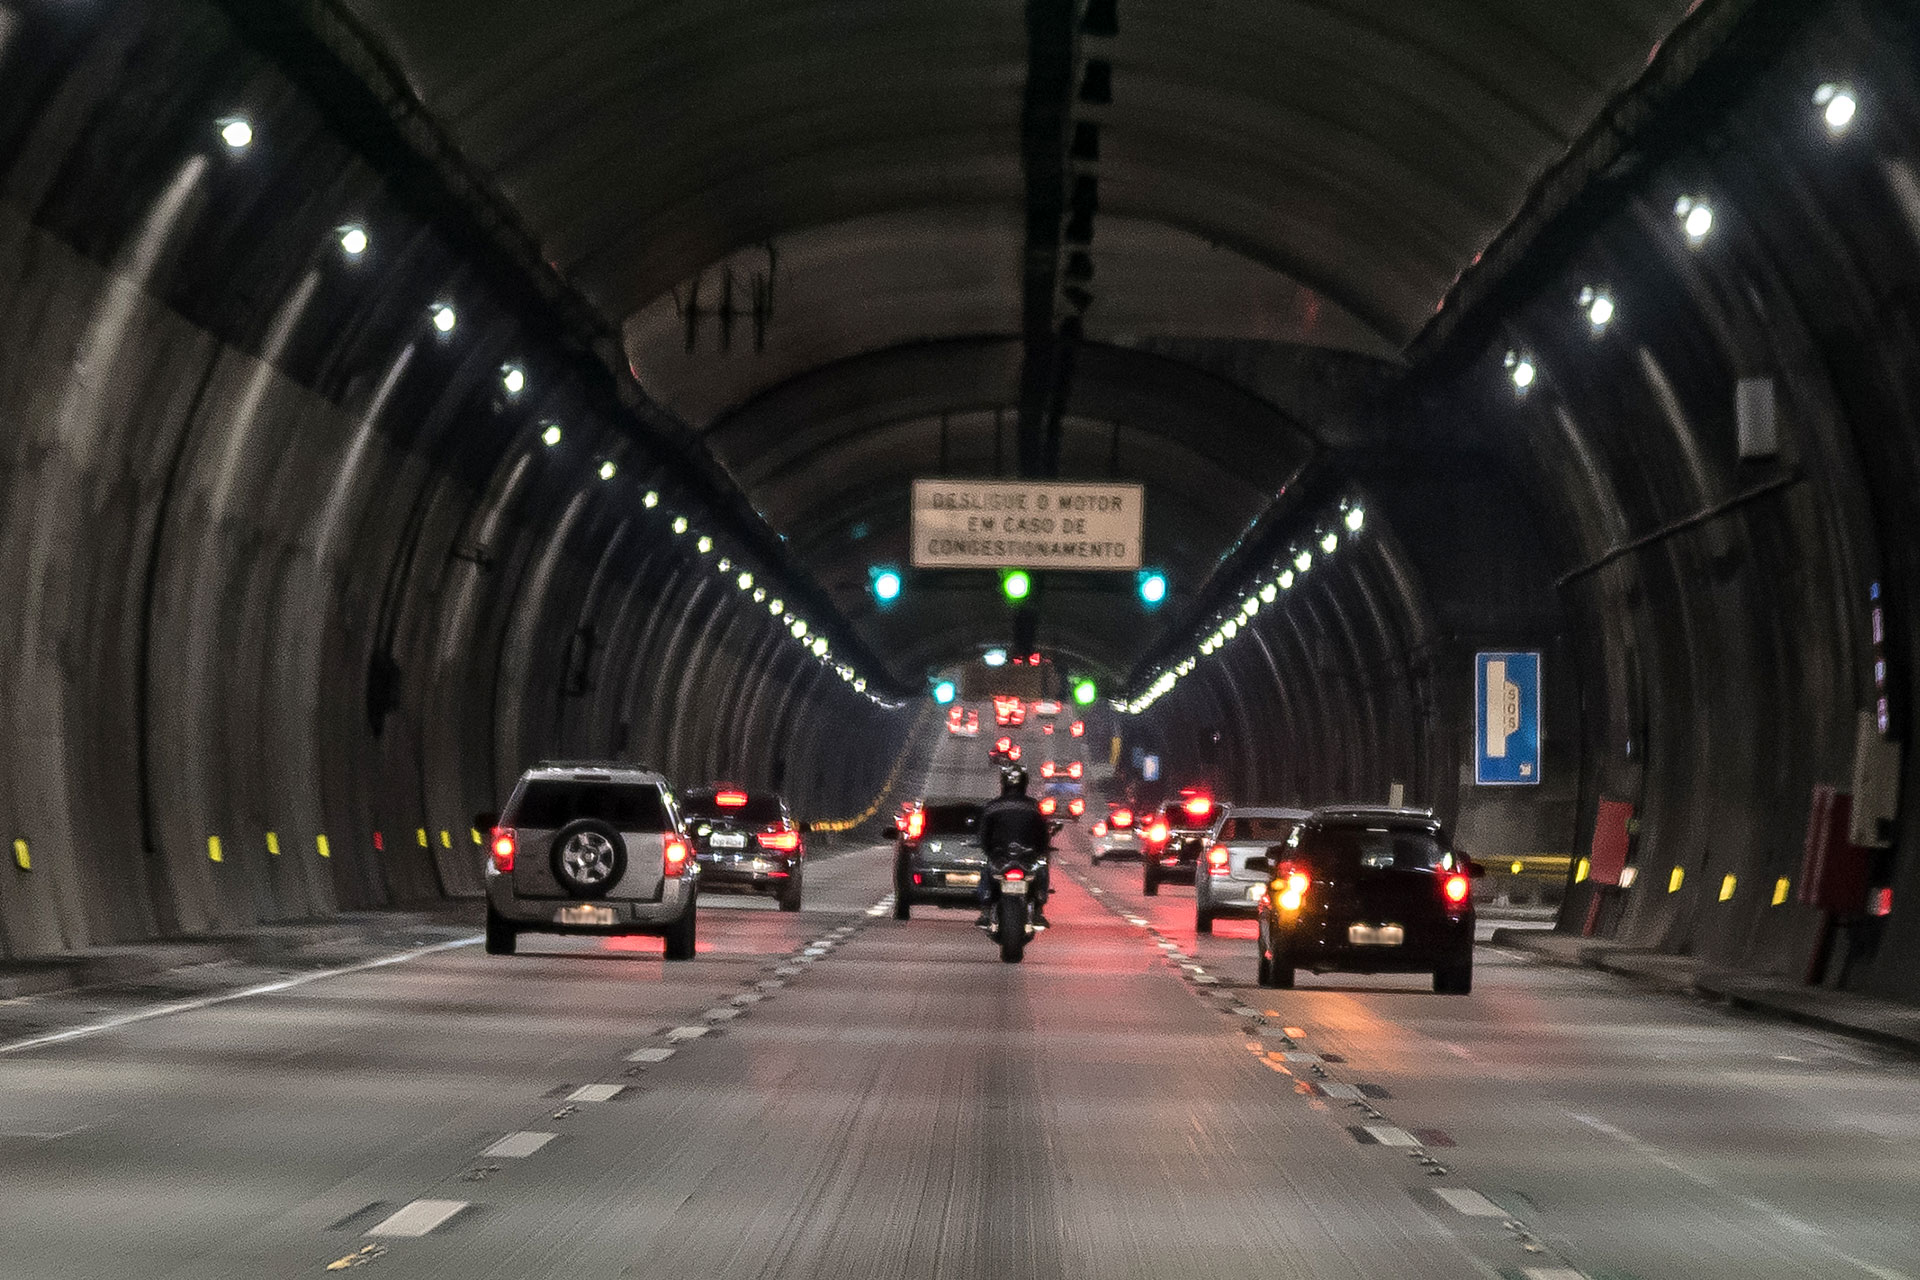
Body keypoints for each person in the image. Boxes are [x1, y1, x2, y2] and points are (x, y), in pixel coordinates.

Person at [977, 765, 1052, 929]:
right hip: (1027, 855)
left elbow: (983, 835)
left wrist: (989, 850)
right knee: (1042, 867)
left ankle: (985, 911)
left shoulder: (992, 806)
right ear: (1024, 783)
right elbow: (1043, 834)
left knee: (986, 868)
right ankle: (1039, 911)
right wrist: (1041, 850)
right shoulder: (1033, 807)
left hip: (1000, 856)